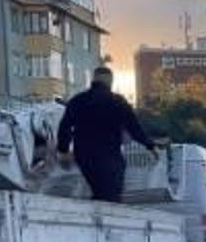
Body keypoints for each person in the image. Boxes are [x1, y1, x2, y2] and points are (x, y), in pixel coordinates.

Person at [56, 66, 156, 203]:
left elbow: (65, 127)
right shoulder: (118, 102)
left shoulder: (77, 101)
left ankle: (98, 210)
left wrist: (63, 151)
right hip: (109, 156)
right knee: (111, 194)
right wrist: (150, 146)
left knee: (99, 190)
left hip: (85, 156)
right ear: (110, 81)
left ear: (94, 79)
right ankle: (106, 217)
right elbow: (134, 128)